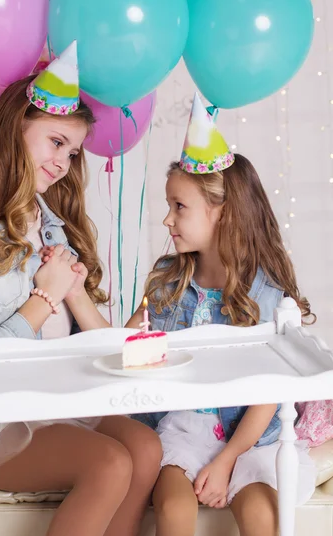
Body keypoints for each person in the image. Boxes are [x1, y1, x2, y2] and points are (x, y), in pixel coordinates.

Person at [0, 41, 161, 536]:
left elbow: (89, 344)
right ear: (15, 129)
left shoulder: (55, 227)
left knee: (145, 447)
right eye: (56, 142)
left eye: (73, 151)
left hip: (58, 401)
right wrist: (43, 299)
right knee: (109, 463)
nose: (63, 162)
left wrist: (85, 303)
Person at [126, 93, 316, 536]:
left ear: (222, 214)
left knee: (259, 512)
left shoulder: (265, 293)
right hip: (185, 429)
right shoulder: (167, 283)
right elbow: (129, 353)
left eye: (179, 207)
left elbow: (269, 392)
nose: (167, 220)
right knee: (173, 508)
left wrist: (228, 459)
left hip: (251, 438)